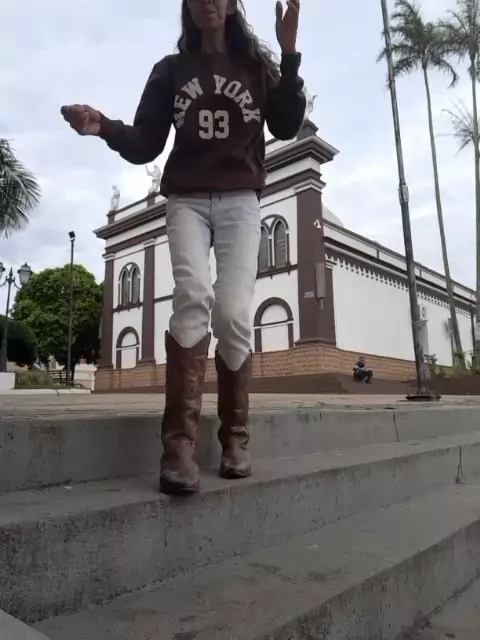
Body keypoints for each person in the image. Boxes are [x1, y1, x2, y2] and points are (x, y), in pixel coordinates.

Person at [61, 0, 306, 496]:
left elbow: (285, 124)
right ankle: (178, 446)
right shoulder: (170, 71)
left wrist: (288, 53)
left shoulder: (255, 66)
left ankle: (235, 436)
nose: (207, 1)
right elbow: (146, 144)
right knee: (192, 297)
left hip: (241, 198)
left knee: (233, 313)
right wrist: (102, 125)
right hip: (187, 199)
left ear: (232, 4)